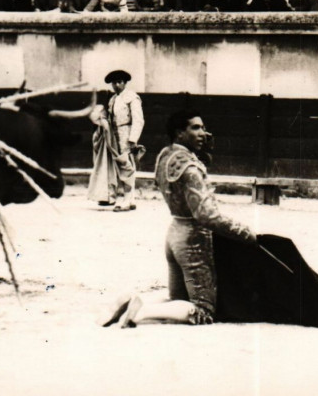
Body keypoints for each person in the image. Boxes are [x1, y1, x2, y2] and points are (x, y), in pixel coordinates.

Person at [105, 109, 258, 327]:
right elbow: (207, 215)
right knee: (203, 309)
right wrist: (243, 232)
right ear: (179, 133)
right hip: (193, 239)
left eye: (203, 128)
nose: (203, 133)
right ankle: (142, 310)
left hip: (174, 233)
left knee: (178, 299)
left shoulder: (165, 156)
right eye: (195, 128)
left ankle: (132, 301)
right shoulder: (191, 167)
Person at [104, 69, 144, 212]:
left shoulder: (132, 97)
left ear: (125, 83)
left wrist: (133, 138)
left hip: (126, 133)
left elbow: (138, 119)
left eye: (119, 82)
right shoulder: (113, 99)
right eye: (114, 83)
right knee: (121, 165)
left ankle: (126, 199)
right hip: (114, 134)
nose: (116, 85)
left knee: (126, 165)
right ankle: (130, 199)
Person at [87, 104, 119, 206]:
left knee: (108, 172)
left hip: (107, 153)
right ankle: (103, 197)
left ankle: (109, 197)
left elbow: (108, 138)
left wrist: (110, 148)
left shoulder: (105, 124)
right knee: (103, 172)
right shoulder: (100, 127)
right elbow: (96, 141)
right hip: (102, 153)